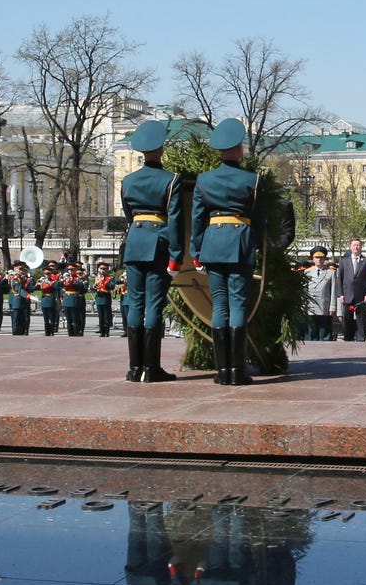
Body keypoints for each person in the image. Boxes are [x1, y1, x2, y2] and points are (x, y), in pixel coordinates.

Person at [192, 118, 261, 385]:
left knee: (219, 305)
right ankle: (237, 371)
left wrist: (196, 249)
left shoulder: (204, 179)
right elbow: (259, 218)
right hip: (240, 244)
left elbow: (198, 219)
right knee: (239, 304)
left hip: (212, 244)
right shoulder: (252, 180)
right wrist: (251, 243)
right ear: (238, 148)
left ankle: (222, 372)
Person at [121, 120, 184, 381]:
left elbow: (128, 214)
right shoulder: (171, 180)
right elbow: (176, 218)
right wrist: (177, 254)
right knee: (154, 305)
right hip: (158, 242)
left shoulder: (128, 180)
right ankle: (152, 367)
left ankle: (134, 368)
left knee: (135, 303)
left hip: (135, 239)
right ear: (161, 148)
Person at [337, 238, 366, 341]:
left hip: (361, 295)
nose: (356, 247)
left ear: (361, 247)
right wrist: (340, 294)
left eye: (358, 245)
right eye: (354, 245)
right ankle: (348, 339)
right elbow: (340, 278)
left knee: (361, 319)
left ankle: (361, 339)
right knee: (347, 320)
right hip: (347, 295)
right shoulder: (343, 260)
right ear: (350, 247)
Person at [304, 247, 338, 342]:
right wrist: (304, 306)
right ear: (313, 259)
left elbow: (333, 291)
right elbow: (304, 291)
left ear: (324, 259)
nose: (319, 260)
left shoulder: (330, 273)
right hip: (311, 306)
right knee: (311, 333)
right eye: (317, 257)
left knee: (325, 333)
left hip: (324, 306)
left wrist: (332, 307)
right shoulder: (307, 272)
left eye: (321, 258)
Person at [62, 262, 88, 337]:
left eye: (72, 269)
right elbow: (58, 285)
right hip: (66, 300)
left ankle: (76, 335)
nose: (70, 271)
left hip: (74, 300)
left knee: (75, 320)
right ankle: (70, 335)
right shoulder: (65, 278)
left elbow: (80, 286)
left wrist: (71, 282)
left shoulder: (78, 278)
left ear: (75, 270)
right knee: (69, 321)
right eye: (69, 269)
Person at [92, 262, 118, 337]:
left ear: (107, 270)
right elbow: (92, 288)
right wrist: (95, 284)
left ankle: (107, 332)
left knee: (106, 317)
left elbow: (112, 286)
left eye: (104, 269)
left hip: (106, 298)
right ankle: (102, 332)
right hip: (99, 298)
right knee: (100, 317)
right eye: (101, 269)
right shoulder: (97, 278)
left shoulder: (110, 278)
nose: (102, 270)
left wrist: (104, 282)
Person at [9, 261, 34, 336]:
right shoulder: (15, 279)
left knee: (23, 322)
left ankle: (22, 335)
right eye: (20, 269)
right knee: (16, 322)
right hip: (17, 303)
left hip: (23, 303)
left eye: (23, 269)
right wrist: (28, 296)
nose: (22, 271)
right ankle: (16, 336)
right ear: (15, 269)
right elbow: (19, 289)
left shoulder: (22, 279)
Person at [36, 262, 61, 336]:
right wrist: (37, 284)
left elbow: (56, 289)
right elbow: (34, 288)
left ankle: (52, 332)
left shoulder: (54, 282)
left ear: (51, 274)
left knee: (52, 318)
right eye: (46, 274)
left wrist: (58, 301)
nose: (47, 275)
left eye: (48, 274)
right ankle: (47, 332)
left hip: (51, 301)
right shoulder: (42, 281)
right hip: (44, 301)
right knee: (45, 319)